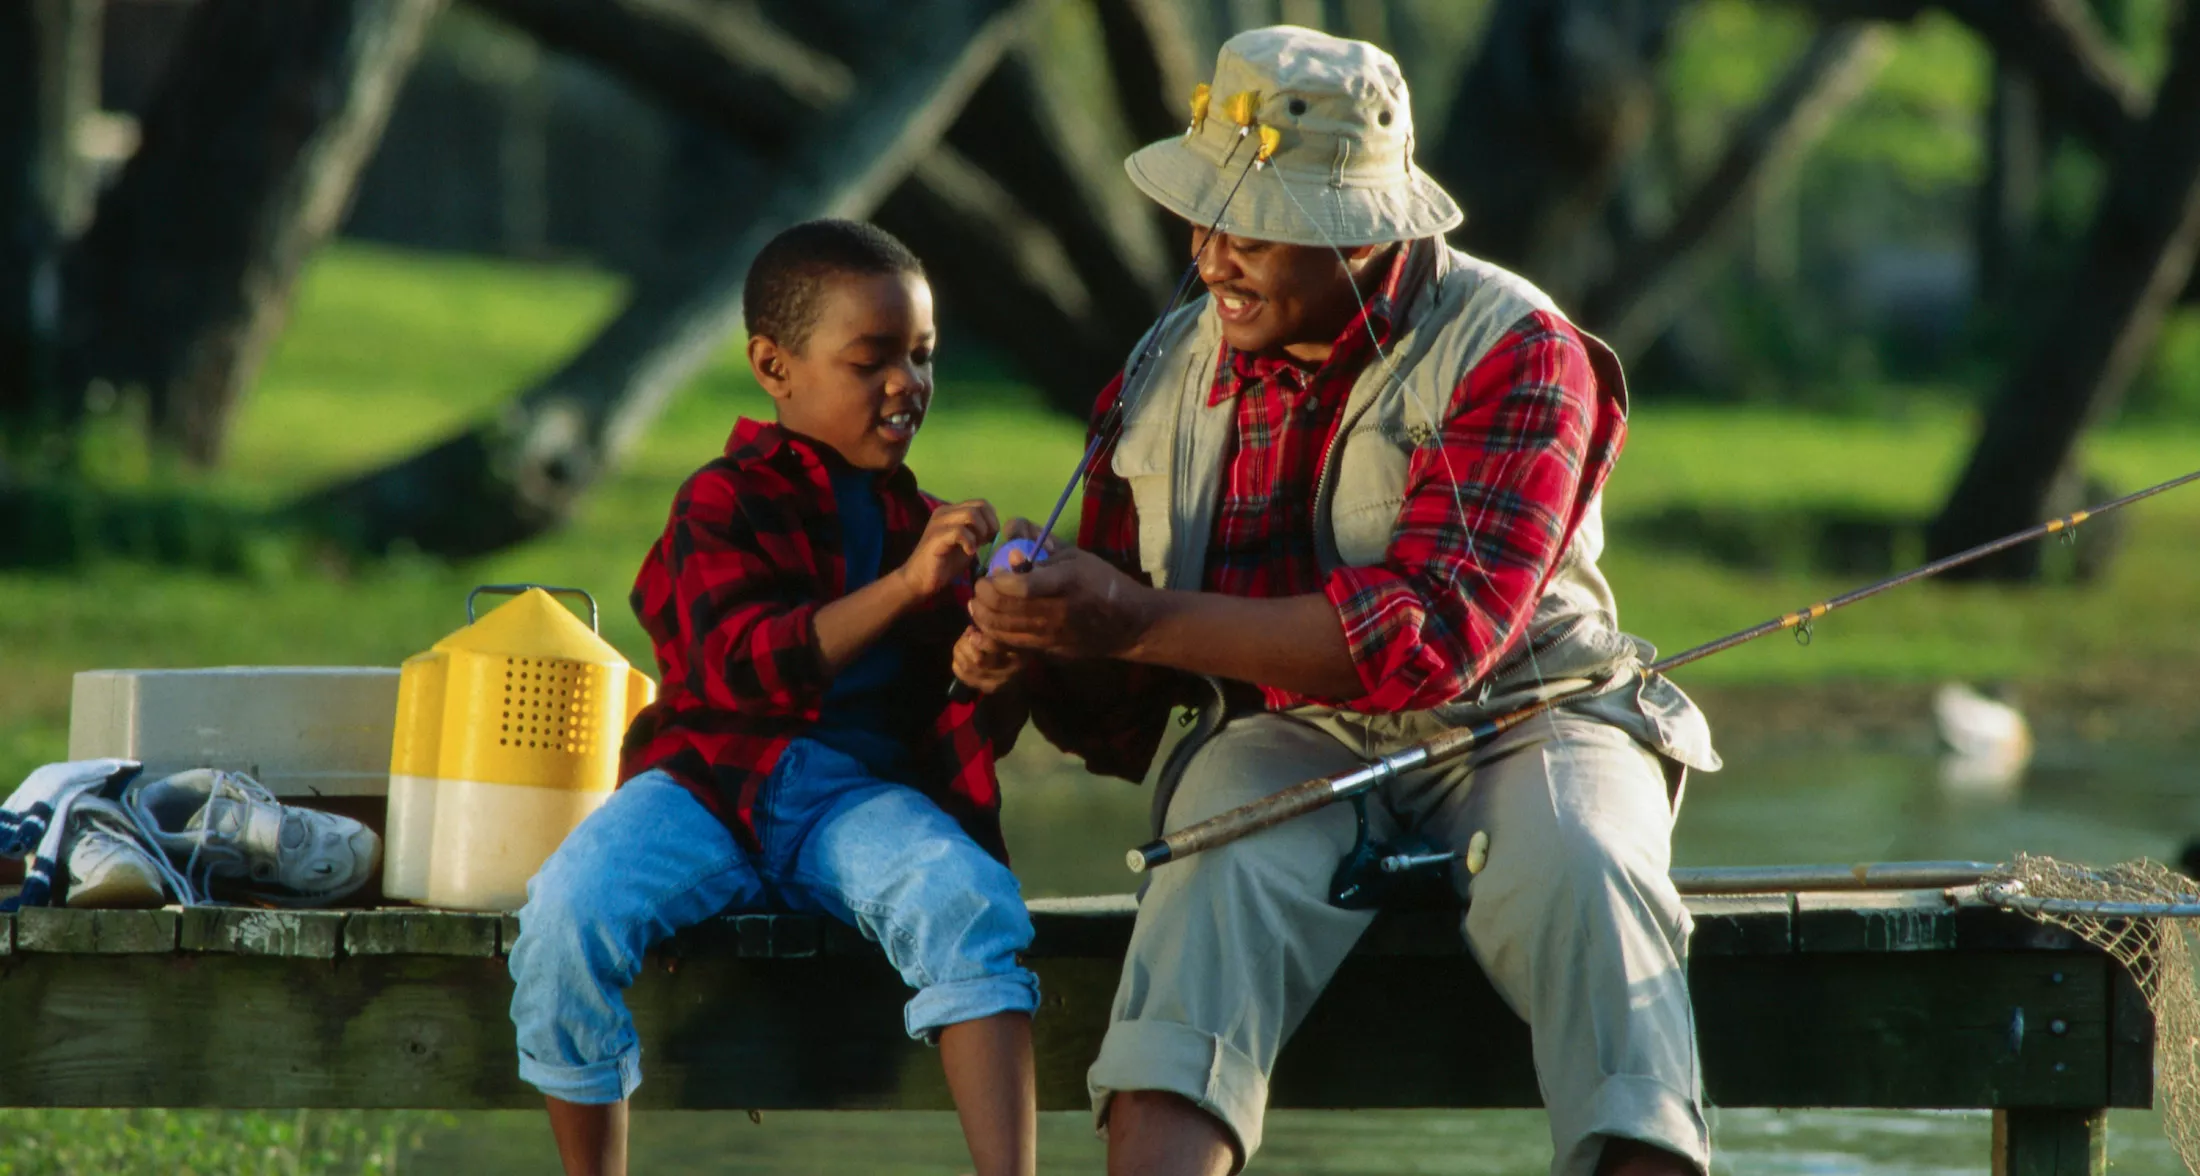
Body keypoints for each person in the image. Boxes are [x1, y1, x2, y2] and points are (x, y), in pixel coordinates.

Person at [970, 26, 1721, 1176]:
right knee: (1207, 876)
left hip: (1534, 716)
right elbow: (1121, 710)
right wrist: (1029, 635)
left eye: (1253, 226)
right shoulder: (1157, 373)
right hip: (1282, 732)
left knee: (1585, 874)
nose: (1212, 255)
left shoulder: (1518, 350)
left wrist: (1125, 613)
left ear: (1364, 230)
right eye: (1202, 217)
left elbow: (1432, 642)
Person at [508, 219, 1040, 1176]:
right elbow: (739, 670)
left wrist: (997, 662)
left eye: (921, 357)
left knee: (969, 902)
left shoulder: (923, 530)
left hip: (856, 802)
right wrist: (906, 589)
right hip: (708, 788)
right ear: (774, 365)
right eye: (870, 359)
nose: (904, 385)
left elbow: (960, 730)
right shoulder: (722, 500)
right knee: (565, 916)